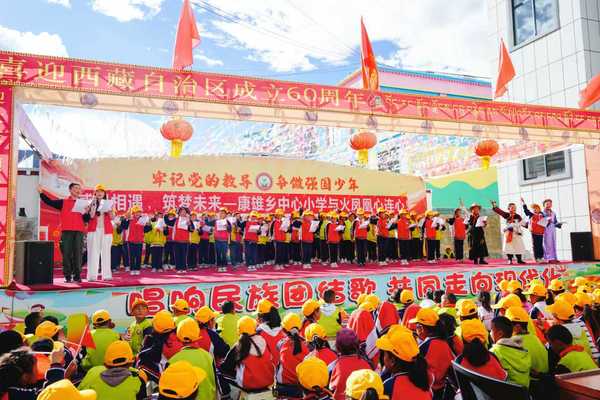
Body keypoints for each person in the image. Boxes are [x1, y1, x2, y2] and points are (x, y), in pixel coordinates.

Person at [39, 183, 87, 283]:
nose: (78, 190)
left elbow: (86, 219)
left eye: (79, 188)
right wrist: (41, 193)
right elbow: (49, 202)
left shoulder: (83, 204)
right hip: (67, 231)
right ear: (70, 190)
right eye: (75, 188)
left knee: (78, 254)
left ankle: (77, 276)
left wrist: (87, 212)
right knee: (66, 254)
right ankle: (68, 276)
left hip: (79, 231)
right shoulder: (63, 202)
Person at [376, 325, 433, 399]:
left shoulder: (389, 387)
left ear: (392, 361)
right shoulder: (424, 378)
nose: (383, 358)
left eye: (384, 354)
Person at [410, 308, 455, 399]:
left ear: (421, 328)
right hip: (442, 391)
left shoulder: (424, 347)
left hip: (429, 392)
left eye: (417, 326)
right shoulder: (444, 343)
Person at [220, 316, 275, 392]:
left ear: (239, 330)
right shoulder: (263, 340)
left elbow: (225, 367)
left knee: (221, 372)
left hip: (248, 385)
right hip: (268, 382)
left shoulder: (239, 345)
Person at [78, 340, 147, 400]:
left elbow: (78, 395)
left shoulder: (93, 372)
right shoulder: (139, 377)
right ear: (131, 362)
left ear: (105, 364)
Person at [167, 319, 217, 400]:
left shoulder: (172, 361)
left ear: (178, 337)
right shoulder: (208, 357)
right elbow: (215, 382)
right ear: (197, 334)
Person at [505, 306, 549, 394]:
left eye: (507, 325)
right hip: (543, 382)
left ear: (517, 327)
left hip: (531, 386)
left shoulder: (514, 342)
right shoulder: (534, 338)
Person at [0, 347, 66, 399]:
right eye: (36, 366)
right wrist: (56, 364)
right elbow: (50, 395)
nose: (38, 369)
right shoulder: (11, 395)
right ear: (25, 376)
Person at [329, 329, 373, 400]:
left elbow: (330, 389)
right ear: (357, 345)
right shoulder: (367, 364)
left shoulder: (333, 366)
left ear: (338, 347)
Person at [490, 316, 532, 388]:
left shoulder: (494, 352)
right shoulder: (522, 350)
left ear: (500, 334)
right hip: (524, 391)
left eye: (491, 329)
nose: (490, 333)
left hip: (508, 392)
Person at [275, 313, 309, 397]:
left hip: (283, 387)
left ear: (283, 330)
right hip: (302, 388)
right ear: (300, 328)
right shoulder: (307, 345)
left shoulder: (281, 344)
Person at [85, 184, 113, 281]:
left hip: (106, 230)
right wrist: (92, 207)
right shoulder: (90, 203)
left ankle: (107, 275)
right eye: (97, 191)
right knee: (93, 252)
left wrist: (110, 210)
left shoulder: (109, 203)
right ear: (95, 193)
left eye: (101, 191)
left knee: (106, 252)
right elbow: (90, 216)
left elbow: (112, 217)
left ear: (104, 193)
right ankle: (92, 276)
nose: (99, 193)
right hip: (93, 230)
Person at [164, 207, 195, 274]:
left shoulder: (188, 220)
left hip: (185, 241)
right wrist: (166, 213)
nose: (183, 213)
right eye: (181, 212)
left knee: (184, 255)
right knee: (177, 255)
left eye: (184, 212)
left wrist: (189, 225)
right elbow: (167, 221)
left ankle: (183, 268)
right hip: (176, 240)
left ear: (186, 213)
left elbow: (192, 230)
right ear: (179, 213)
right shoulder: (176, 220)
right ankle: (178, 268)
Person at [541, 199, 562, 263]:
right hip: (546, 229)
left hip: (553, 229)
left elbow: (555, 221)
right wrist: (547, 221)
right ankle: (548, 258)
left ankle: (554, 257)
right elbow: (540, 223)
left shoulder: (553, 213)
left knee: (553, 243)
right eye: (547, 204)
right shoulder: (541, 213)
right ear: (544, 205)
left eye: (550, 204)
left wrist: (558, 224)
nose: (549, 205)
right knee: (547, 244)